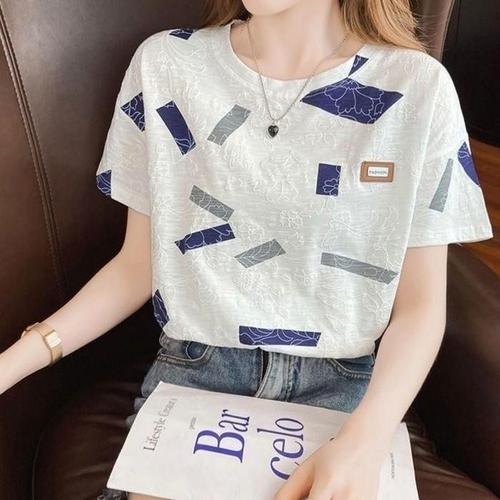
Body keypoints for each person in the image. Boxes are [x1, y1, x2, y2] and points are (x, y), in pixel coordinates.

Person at [1, 0, 494, 499]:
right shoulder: (167, 64)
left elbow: (420, 307)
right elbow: (138, 265)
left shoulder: (417, 88)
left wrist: (364, 439)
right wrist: (13, 363)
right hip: (197, 375)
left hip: (344, 388)